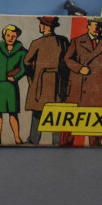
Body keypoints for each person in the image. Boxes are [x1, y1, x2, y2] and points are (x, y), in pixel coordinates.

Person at [65, 16, 102, 145]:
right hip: (78, 86)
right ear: (88, 26)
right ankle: (67, 144)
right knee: (73, 117)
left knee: (96, 116)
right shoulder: (77, 41)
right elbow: (67, 59)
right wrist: (79, 68)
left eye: (100, 26)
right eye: (94, 25)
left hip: (97, 86)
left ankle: (96, 144)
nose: (97, 28)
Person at [22, 15, 68, 145]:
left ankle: (33, 140)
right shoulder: (63, 41)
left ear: (45, 26)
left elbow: (26, 62)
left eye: (41, 24)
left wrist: (32, 79)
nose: (40, 26)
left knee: (39, 111)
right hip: (57, 81)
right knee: (54, 112)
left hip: (42, 82)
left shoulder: (37, 43)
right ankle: (55, 141)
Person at [0, 24, 27, 144]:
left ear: (17, 37)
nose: (10, 38)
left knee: (13, 113)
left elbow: (24, 68)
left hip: (11, 86)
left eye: (13, 36)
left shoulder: (22, 51)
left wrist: (15, 77)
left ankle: (17, 138)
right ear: (4, 36)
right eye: (8, 35)